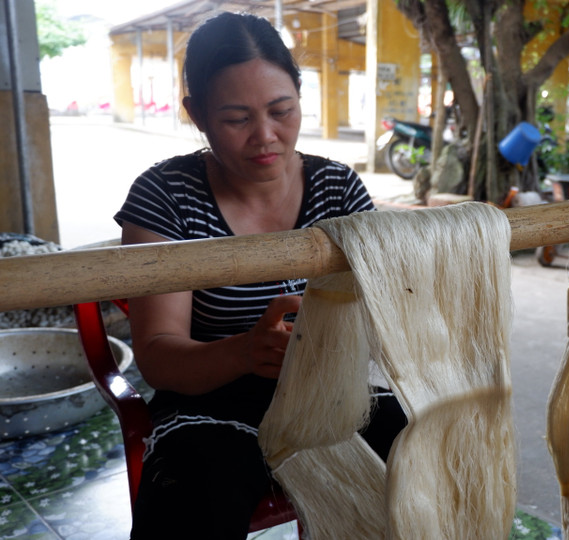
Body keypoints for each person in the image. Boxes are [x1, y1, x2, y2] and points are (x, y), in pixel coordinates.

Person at [114, 12, 405, 539]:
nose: (265, 136)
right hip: (208, 399)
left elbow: (384, 306)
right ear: (197, 114)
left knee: (425, 457)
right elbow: (157, 356)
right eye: (236, 118)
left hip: (327, 389)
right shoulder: (166, 196)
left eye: (281, 110)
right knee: (194, 492)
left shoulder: (337, 189)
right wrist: (248, 352)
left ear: (299, 96)